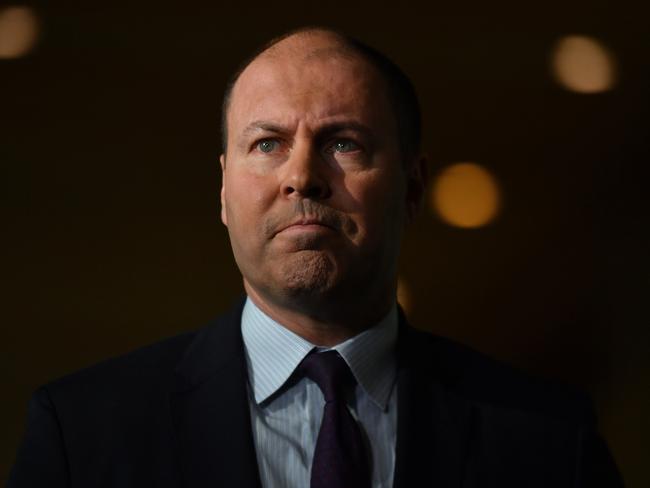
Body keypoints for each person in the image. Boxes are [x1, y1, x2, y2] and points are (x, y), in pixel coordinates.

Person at [8, 27, 624, 488]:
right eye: (268, 143)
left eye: (344, 143)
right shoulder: (81, 433)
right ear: (223, 191)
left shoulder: (550, 440)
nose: (301, 176)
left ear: (412, 188)